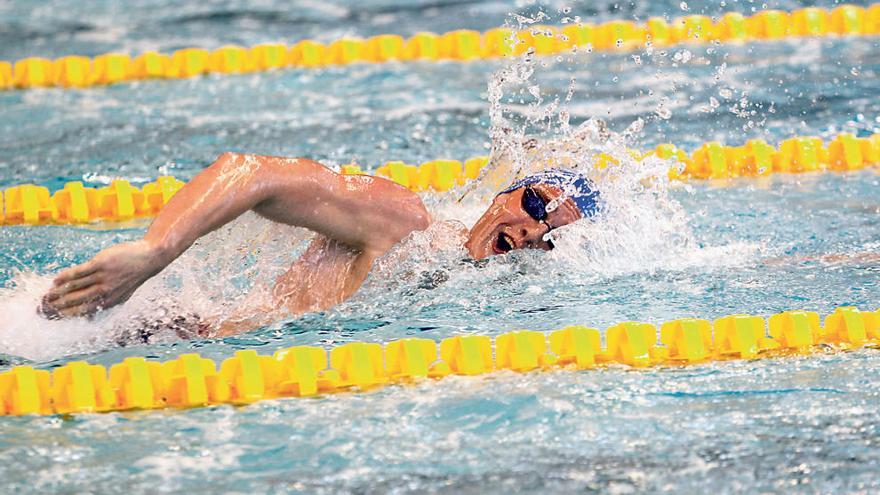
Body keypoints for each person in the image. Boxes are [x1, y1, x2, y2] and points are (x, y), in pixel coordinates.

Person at [39, 152, 600, 335]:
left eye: (551, 235)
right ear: (502, 194)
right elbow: (251, 171)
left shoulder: (489, 299)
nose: (532, 230)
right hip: (151, 340)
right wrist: (155, 252)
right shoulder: (407, 224)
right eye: (534, 205)